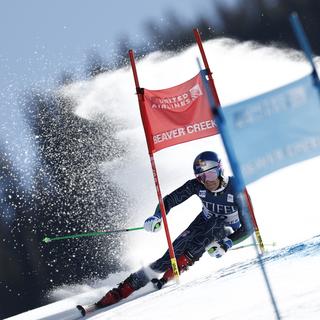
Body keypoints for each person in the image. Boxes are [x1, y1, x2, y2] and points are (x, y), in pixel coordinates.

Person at [95, 151, 253, 308]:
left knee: (212, 230)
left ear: (220, 170)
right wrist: (157, 216)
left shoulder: (236, 189)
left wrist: (227, 244)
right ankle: (122, 290)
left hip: (227, 229)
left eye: (210, 175)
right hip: (203, 221)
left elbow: (249, 227)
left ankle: (183, 262)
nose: (207, 181)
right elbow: (170, 199)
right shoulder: (196, 185)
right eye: (201, 177)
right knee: (168, 256)